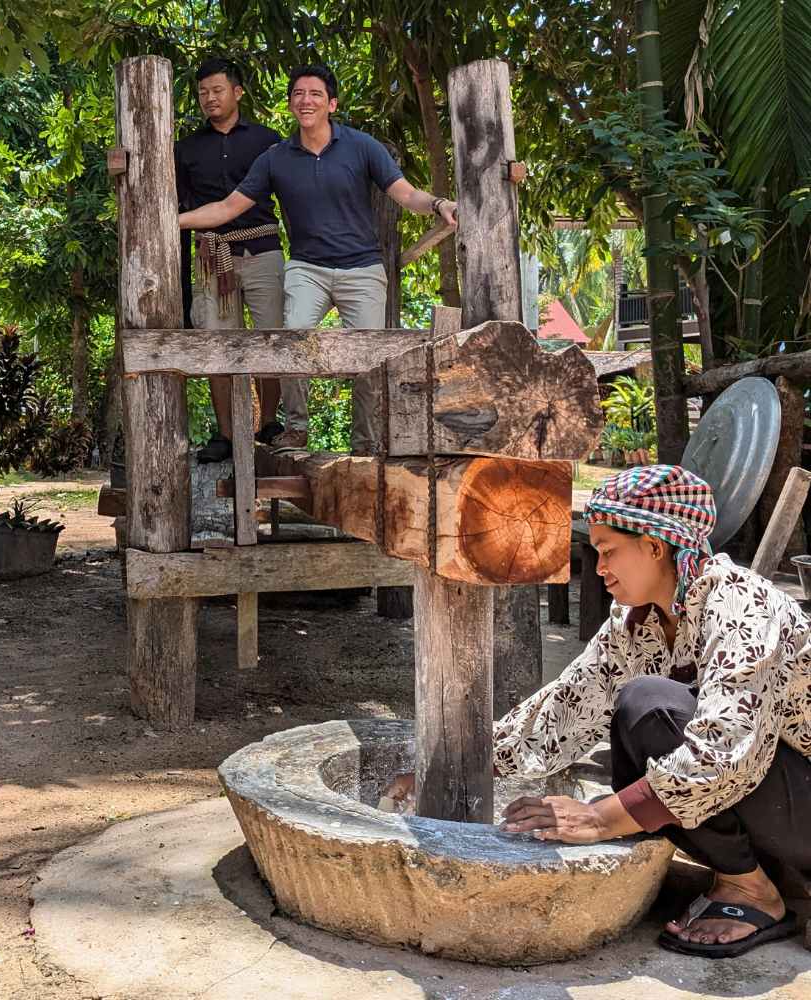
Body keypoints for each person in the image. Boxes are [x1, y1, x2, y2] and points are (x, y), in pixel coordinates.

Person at [491, 465, 810, 958]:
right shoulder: (638, 620)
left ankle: (752, 890)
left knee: (649, 705)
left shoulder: (741, 604)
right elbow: (571, 701)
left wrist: (598, 819)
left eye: (608, 551)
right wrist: (475, 760)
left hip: (801, 806)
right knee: (631, 716)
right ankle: (759, 873)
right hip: (777, 813)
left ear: (657, 547)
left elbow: (724, 752)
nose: (598, 568)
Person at [179, 63, 458, 453]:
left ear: (331, 103)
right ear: (291, 104)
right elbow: (227, 207)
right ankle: (295, 429)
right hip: (307, 267)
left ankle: (367, 443)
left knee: (369, 360)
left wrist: (439, 203)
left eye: (314, 94)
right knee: (291, 342)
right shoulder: (275, 157)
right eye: (297, 94)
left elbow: (406, 194)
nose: (305, 100)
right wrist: (171, 220)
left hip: (361, 266)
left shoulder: (362, 146)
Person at [176, 57, 286, 463]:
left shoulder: (268, 140)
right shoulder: (186, 149)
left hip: (262, 250)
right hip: (209, 257)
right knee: (216, 345)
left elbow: (289, 195)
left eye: (217, 90)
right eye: (203, 93)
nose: (210, 98)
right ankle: (224, 433)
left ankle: (270, 424)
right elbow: (178, 209)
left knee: (271, 338)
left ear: (237, 92)